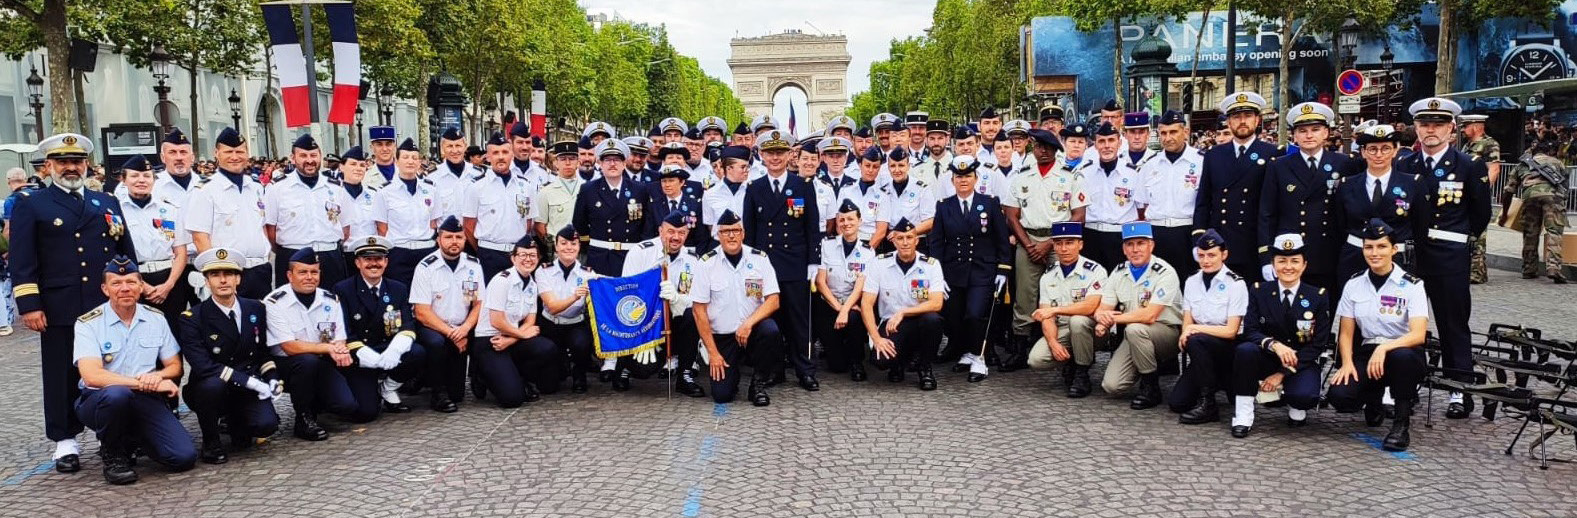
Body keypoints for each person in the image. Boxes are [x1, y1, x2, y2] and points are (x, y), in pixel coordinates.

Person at [8, 133, 137, 473]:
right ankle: (65, 440)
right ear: (48, 166)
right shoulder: (31, 204)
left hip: (104, 302)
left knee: (111, 366)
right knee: (62, 371)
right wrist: (29, 304)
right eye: (63, 162)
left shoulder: (105, 202)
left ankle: (111, 434)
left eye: (76, 161)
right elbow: (22, 259)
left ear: (86, 165)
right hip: (59, 302)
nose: (70, 167)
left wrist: (132, 290)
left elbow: (126, 253)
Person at [1403, 97, 1491, 420]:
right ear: (1416, 127)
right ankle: (1407, 383)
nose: (1431, 130)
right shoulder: (1405, 165)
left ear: (1451, 129)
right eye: (1425, 124)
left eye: (1438, 124)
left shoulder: (1469, 167)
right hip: (1411, 256)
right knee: (1407, 321)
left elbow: (1480, 215)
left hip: (1448, 255)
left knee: (1453, 323)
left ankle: (1460, 389)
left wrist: (1457, 242)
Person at [73, 257, 197, 484]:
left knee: (183, 457)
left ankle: (134, 438)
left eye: (131, 282)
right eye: (116, 283)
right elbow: (92, 375)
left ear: (141, 286)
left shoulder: (156, 319)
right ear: (105, 289)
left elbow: (174, 365)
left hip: (145, 399)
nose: (124, 289)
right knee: (117, 395)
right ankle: (113, 454)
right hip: (100, 400)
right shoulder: (88, 323)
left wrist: (157, 376)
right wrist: (144, 382)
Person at [1326, 219, 1430, 452]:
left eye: (1381, 247)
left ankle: (1401, 425)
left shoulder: (1412, 285)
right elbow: (1345, 333)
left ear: (1394, 249)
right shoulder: (1354, 284)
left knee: (1401, 358)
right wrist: (1347, 364)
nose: (1374, 253)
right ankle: (1373, 399)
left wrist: (1385, 348)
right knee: (1340, 396)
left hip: (1404, 352)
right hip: (1366, 350)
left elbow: (1418, 334)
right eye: (1369, 247)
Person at [178, 247, 281, 464]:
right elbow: (203, 366)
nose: (223, 280)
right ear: (207, 281)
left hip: (246, 386)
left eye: (229, 274)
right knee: (212, 386)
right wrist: (251, 383)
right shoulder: (193, 317)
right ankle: (211, 441)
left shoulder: (256, 309)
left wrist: (271, 379)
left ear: (238, 279)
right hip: (213, 388)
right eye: (215, 275)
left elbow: (262, 351)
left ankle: (236, 423)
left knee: (267, 425)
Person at [266, 248, 375, 441]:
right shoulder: (275, 303)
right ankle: (304, 417)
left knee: (347, 407)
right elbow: (289, 347)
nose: (309, 277)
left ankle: (318, 400)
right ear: (290, 275)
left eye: (314, 272)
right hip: (287, 365)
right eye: (303, 272)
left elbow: (338, 337)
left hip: (322, 361)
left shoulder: (329, 300)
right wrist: (329, 348)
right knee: (307, 362)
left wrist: (340, 350)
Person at [1229, 233, 1331, 438]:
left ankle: (1293, 400)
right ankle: (1243, 415)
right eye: (1282, 261)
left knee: (1304, 397)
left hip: (1300, 361)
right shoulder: (1259, 291)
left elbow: (1318, 343)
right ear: (1273, 265)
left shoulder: (1317, 296)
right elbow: (1250, 331)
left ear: (1304, 265)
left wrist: (1282, 374)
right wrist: (1274, 345)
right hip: (1267, 356)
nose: (1288, 267)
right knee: (1245, 351)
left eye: (1295, 261)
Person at [742, 129, 822, 391]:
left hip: (795, 263)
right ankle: (772, 370)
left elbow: (812, 227)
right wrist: (750, 266)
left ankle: (805, 370)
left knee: (800, 321)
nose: (775, 158)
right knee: (770, 322)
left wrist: (814, 262)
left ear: (790, 155)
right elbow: (750, 232)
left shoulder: (803, 186)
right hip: (766, 265)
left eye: (780, 152)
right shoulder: (754, 188)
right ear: (761, 155)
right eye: (769, 153)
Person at [1002, 129, 1084, 372]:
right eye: (1039, 147)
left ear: (1057, 150)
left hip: (1060, 241)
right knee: (1024, 296)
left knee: (1065, 292)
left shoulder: (1070, 176)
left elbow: (1079, 215)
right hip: (1028, 238)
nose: (1044, 152)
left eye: (1049, 148)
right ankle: (1020, 348)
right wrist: (1028, 244)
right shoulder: (1022, 176)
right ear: (1032, 148)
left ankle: (1067, 348)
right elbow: (1011, 213)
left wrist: (1050, 243)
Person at [928, 156, 1012, 381]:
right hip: (954, 271)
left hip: (982, 270)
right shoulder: (945, 206)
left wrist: (1003, 270)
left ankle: (980, 357)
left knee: (975, 314)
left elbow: (1001, 239)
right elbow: (936, 242)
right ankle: (966, 351)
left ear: (976, 178)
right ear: (952, 180)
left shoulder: (990, 203)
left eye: (967, 176)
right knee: (955, 316)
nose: (963, 181)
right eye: (958, 177)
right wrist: (937, 274)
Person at [693, 210, 784, 406]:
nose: (731, 235)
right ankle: (731, 375)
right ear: (718, 235)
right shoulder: (706, 264)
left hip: (752, 331)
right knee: (722, 396)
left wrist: (748, 324)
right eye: (726, 231)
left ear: (743, 233)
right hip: (723, 337)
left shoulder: (759, 258)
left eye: (736, 230)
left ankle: (758, 384)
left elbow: (773, 300)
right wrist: (713, 353)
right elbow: (698, 311)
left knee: (771, 330)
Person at [1260, 102, 1352, 291]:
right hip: (1290, 255)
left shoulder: (1344, 164)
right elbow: (1267, 214)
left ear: (1326, 133)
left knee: (1326, 312)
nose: (1309, 135)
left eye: (1315, 129)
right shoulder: (1279, 166)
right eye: (1302, 130)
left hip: (1329, 254)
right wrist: (1266, 256)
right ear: (1294, 136)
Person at [333, 235, 427, 415]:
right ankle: (368, 389)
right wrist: (364, 353)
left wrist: (395, 350)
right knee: (366, 413)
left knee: (417, 353)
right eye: (367, 259)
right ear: (358, 263)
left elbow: (407, 324)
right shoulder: (343, 289)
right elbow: (344, 330)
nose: (373, 264)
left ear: (386, 262)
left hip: (386, 346)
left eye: (378, 259)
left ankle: (388, 387)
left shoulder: (397, 288)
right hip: (361, 353)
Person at [1093, 222, 1182, 408]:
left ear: (1151, 245)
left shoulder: (1165, 272)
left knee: (1134, 329)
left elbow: (1149, 315)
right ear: (1124, 249)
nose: (1135, 249)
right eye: (1130, 245)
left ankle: (1151, 387)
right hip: (1136, 336)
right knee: (1112, 386)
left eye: (1141, 243)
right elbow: (1103, 307)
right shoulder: (1118, 272)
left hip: (1167, 333)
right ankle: (1143, 367)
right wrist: (1102, 321)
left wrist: (1113, 319)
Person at [622, 210, 708, 396]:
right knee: (643, 370)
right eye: (670, 232)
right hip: (645, 323)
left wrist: (676, 298)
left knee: (692, 315)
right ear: (660, 231)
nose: (676, 237)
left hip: (676, 321)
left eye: (681, 233)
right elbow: (627, 296)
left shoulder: (693, 260)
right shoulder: (640, 253)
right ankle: (625, 366)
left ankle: (685, 374)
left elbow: (696, 300)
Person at [1168, 230, 1249, 424]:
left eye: (1212, 255)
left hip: (1228, 349)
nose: (1206, 260)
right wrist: (1186, 332)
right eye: (1201, 255)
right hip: (1201, 350)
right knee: (1177, 403)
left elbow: (1231, 331)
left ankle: (1209, 404)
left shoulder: (1236, 284)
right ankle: (1213, 381)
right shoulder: (1191, 281)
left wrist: (1193, 330)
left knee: (1196, 339)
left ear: (1224, 255)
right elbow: (1188, 318)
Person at [1195, 92, 1276, 278]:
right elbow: (1204, 201)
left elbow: (1274, 207)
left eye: (1248, 116)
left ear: (1257, 120)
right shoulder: (1214, 155)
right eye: (1236, 117)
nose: (1242, 121)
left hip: (1255, 242)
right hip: (1220, 242)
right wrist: (1198, 238)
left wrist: (1270, 253)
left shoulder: (1273, 154)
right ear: (1229, 122)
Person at [859, 218, 946, 391]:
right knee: (880, 360)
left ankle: (925, 367)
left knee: (933, 321)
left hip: (919, 320)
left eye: (909, 238)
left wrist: (904, 312)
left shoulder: (931, 265)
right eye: (900, 238)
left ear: (917, 240)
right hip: (892, 325)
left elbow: (937, 303)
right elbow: (866, 304)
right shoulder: (879, 263)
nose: (905, 242)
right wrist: (876, 339)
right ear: (893, 241)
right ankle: (898, 363)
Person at [1333, 125, 1420, 295]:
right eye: (1372, 149)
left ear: (1396, 150)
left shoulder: (1413, 184)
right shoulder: (1347, 185)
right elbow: (1339, 225)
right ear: (1363, 152)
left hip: (1397, 259)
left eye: (1386, 148)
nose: (1379, 155)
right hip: (1355, 258)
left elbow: (1419, 226)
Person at [471, 236, 557, 407]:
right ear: (513, 258)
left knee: (547, 348)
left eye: (533, 255)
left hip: (509, 340)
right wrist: (521, 334)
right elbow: (497, 321)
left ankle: (519, 376)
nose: (528, 259)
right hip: (490, 341)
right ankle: (481, 373)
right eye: (523, 255)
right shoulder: (502, 280)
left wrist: (512, 339)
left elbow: (530, 319)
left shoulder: (532, 284)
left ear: (538, 259)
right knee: (512, 399)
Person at [185, 128, 272, 298]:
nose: (235, 156)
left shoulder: (255, 187)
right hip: (228, 273)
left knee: (259, 322)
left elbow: (261, 227)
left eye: (240, 151)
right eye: (228, 152)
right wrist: (217, 275)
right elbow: (200, 238)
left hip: (260, 271)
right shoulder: (205, 190)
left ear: (247, 153)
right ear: (216, 153)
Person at [407, 217, 482, 412]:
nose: (454, 241)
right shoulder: (425, 267)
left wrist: (464, 329)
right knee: (436, 344)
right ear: (438, 240)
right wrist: (452, 333)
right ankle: (437, 394)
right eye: (448, 237)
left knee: (457, 395)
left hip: (461, 327)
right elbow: (422, 313)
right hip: (433, 327)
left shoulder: (473, 265)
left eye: (459, 237)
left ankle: (478, 379)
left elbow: (478, 304)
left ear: (465, 240)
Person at [1026, 222, 1107, 397]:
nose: (1064, 248)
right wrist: (1053, 343)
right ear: (1054, 246)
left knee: (1078, 321)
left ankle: (1082, 373)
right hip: (1063, 329)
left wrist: (1055, 311)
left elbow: (1091, 306)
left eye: (1069, 242)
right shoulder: (1048, 276)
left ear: (1080, 244)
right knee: (1036, 360)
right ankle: (1071, 362)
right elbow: (1045, 315)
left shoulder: (1095, 271)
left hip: (1091, 330)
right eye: (1059, 243)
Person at [266, 134, 352, 289]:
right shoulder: (277, 188)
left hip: (329, 257)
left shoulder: (336, 187)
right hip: (292, 256)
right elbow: (270, 230)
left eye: (314, 155)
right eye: (303, 155)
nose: (309, 160)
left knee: (333, 305)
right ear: (293, 158)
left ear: (320, 157)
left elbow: (345, 228)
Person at [116, 155, 190, 333]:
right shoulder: (116, 211)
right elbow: (114, 252)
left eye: (147, 176)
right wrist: (142, 286)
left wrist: (169, 284)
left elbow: (181, 252)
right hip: (133, 281)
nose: (141, 180)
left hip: (169, 280)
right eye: (135, 176)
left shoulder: (170, 210)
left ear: (154, 180)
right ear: (123, 180)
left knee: (173, 336)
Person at [573, 138, 656, 276]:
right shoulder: (588, 189)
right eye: (607, 160)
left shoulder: (640, 189)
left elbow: (647, 225)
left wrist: (641, 251)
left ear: (624, 163)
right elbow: (579, 223)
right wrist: (590, 246)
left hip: (631, 256)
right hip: (600, 255)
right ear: (600, 163)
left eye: (617, 160)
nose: (612, 164)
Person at [816, 200, 876, 381]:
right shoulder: (827, 244)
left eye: (850, 219)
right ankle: (834, 350)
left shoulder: (867, 251)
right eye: (842, 220)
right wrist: (838, 308)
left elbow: (860, 286)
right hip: (829, 304)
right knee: (837, 366)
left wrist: (845, 310)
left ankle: (857, 361)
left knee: (856, 317)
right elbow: (820, 282)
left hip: (852, 304)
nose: (846, 224)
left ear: (860, 221)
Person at [536, 225, 601, 393]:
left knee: (581, 344)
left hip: (575, 323)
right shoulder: (543, 271)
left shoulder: (588, 273)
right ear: (556, 247)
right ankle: (562, 365)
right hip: (551, 325)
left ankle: (580, 373)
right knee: (550, 385)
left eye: (573, 244)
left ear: (579, 247)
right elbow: (552, 307)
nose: (569, 248)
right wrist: (575, 296)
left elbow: (609, 286)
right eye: (564, 243)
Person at [465, 133, 537, 279]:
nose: (501, 157)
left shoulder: (525, 186)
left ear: (512, 154)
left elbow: (528, 223)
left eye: (505, 152)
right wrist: (482, 250)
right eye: (495, 153)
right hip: (489, 254)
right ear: (488, 157)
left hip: (519, 254)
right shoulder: (476, 187)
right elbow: (468, 226)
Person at [372, 138, 440, 287]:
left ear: (419, 161)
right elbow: (382, 228)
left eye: (414, 158)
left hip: (426, 251)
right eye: (405, 157)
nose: (410, 161)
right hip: (399, 254)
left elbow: (433, 223)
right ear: (396, 160)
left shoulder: (431, 189)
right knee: (400, 298)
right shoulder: (385, 192)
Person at [1501, 140, 1568, 283]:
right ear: (1550, 151)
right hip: (1553, 198)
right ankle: (1553, 268)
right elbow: (1564, 185)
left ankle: (1529, 269)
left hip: (1530, 196)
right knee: (1554, 232)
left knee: (1530, 233)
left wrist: (1505, 213)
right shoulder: (1557, 162)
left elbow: (1508, 191)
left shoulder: (1523, 164)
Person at [1083, 122, 1143, 270]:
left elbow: (1141, 212)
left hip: (1120, 237)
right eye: (1102, 141)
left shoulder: (1133, 173)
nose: (1106, 146)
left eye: (1111, 140)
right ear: (1095, 145)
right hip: (1091, 236)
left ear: (1119, 143)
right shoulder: (1084, 173)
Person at [1460, 114, 1501, 285]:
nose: (1462, 130)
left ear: (1476, 127)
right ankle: (1475, 270)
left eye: (1465, 126)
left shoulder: (1489, 144)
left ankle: (1476, 272)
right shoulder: (1466, 146)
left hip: (1477, 195)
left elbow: (1494, 169)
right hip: (1464, 195)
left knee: (1479, 234)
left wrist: (1481, 192)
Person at [872, 147, 933, 251]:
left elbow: (930, 222)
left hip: (915, 241)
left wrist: (907, 233)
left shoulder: (921, 189)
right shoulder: (883, 191)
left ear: (908, 166)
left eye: (901, 165)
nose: (897, 170)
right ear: (888, 168)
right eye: (892, 166)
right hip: (890, 243)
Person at [533, 140, 585, 252]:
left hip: (583, 249)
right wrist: (552, 245)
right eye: (562, 159)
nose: (567, 163)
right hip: (557, 250)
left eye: (572, 158)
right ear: (555, 162)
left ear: (578, 162)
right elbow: (539, 225)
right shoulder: (545, 192)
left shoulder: (587, 189)